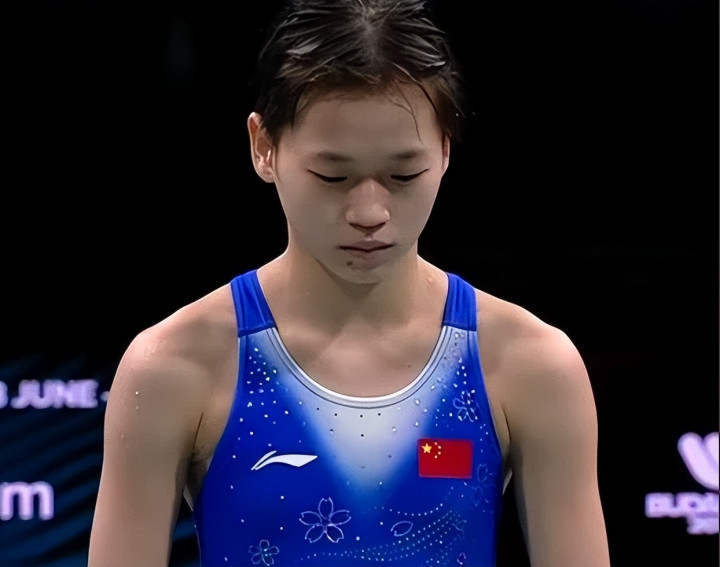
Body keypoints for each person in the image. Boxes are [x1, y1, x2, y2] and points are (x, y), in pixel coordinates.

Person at [87, 1, 611, 565]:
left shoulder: (531, 364)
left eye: (403, 175)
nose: (369, 212)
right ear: (263, 147)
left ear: (445, 150)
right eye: (332, 176)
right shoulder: (172, 367)